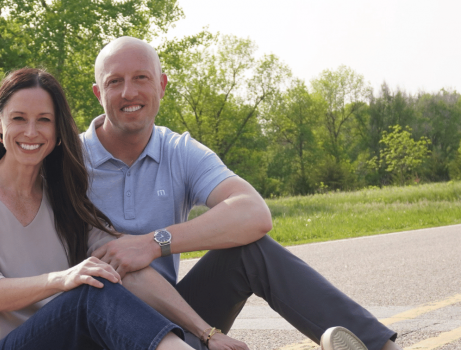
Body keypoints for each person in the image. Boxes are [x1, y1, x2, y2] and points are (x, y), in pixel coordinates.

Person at [81, 36, 403, 350]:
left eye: (141, 78)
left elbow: (253, 213)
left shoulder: (179, 151)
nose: (129, 92)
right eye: (114, 82)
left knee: (250, 251)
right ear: (98, 92)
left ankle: (378, 347)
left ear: (162, 85)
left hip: (172, 318)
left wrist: (153, 243)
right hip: (94, 327)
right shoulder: (69, 160)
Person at [0, 67, 250, 350]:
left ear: (58, 132)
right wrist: (63, 278)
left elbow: (127, 266)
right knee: (88, 289)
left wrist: (206, 332)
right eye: (18, 118)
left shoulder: (64, 198)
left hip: (61, 340)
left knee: (101, 281)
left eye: (44, 120)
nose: (31, 132)